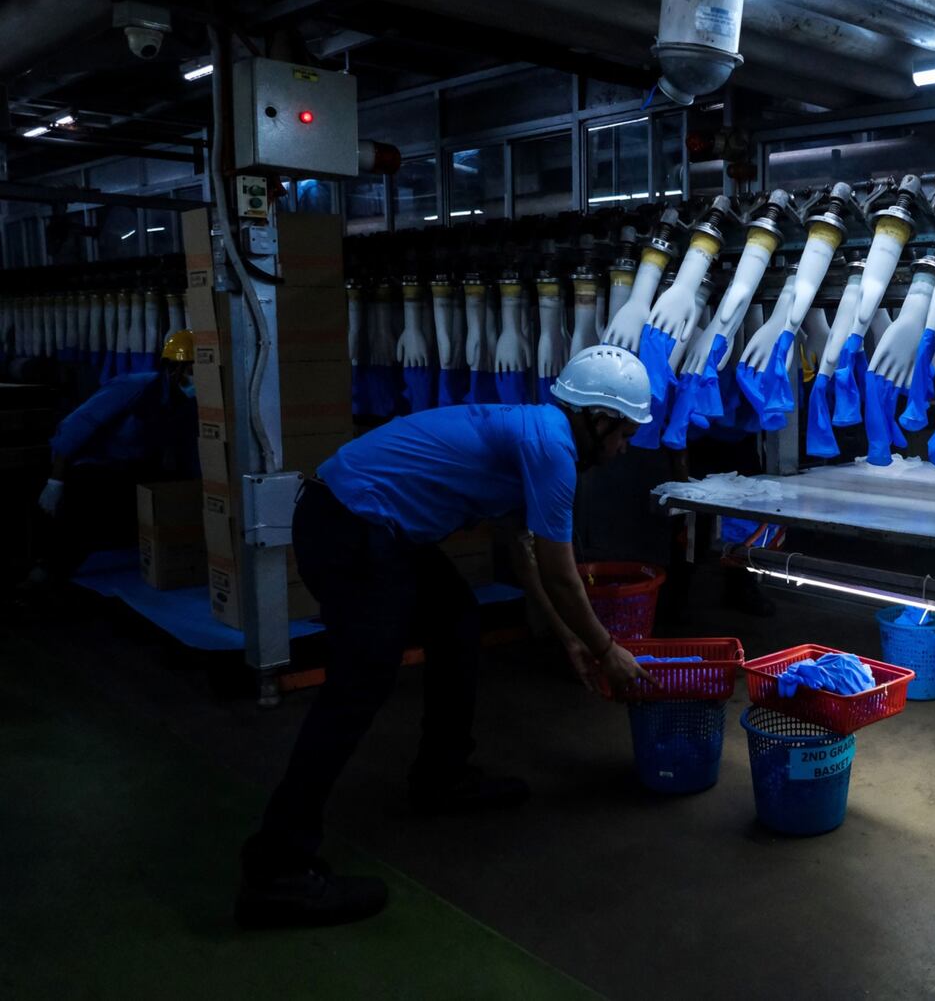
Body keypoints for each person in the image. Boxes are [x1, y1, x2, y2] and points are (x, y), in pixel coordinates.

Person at [236, 345, 657, 929]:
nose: (623, 448)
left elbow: (525, 552)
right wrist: (608, 650)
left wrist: (571, 639)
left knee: (457, 620)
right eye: (624, 434)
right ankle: (277, 867)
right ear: (598, 418)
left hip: (366, 523)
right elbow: (563, 574)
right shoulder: (554, 448)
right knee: (360, 684)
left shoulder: (535, 432)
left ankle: (442, 776)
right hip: (353, 525)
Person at [29, 329, 198, 587]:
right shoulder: (135, 387)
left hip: (131, 467)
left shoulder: (183, 404)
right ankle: (47, 573)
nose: (194, 379)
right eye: (190, 370)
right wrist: (55, 483)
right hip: (93, 468)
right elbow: (73, 429)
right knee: (79, 521)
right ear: (173, 367)